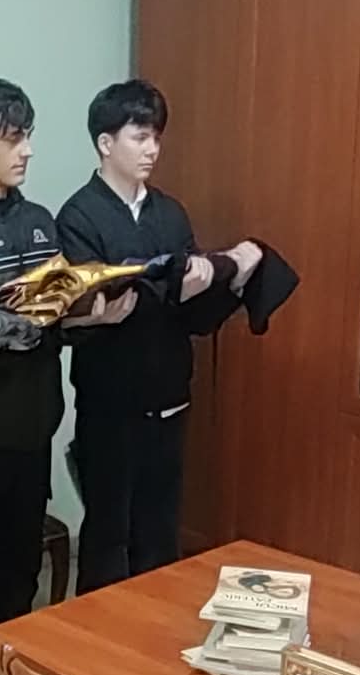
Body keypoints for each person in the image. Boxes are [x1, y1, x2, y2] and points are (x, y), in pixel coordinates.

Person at [0, 78, 134, 627]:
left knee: (19, 573)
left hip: (35, 427)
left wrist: (88, 316)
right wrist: (23, 319)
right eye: (12, 139)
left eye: (28, 136)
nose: (27, 151)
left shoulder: (38, 220)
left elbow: (56, 320)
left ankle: (11, 673)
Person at [57, 79, 262, 591]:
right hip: (110, 403)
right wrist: (167, 286)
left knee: (160, 535)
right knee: (108, 536)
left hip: (170, 397)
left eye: (156, 137)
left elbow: (191, 311)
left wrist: (225, 278)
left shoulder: (169, 212)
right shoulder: (78, 215)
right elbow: (97, 304)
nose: (152, 149)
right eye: (139, 137)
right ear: (106, 143)